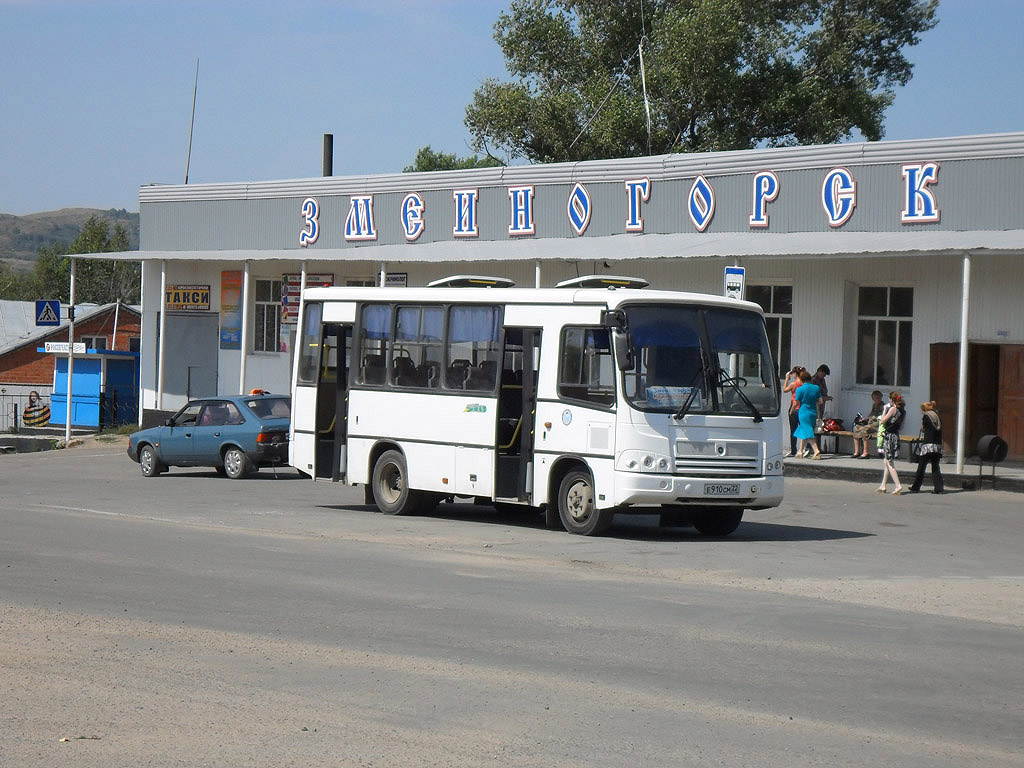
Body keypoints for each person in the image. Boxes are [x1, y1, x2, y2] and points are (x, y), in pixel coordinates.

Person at [907, 401, 945, 494]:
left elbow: (924, 428)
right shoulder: (937, 416)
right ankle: (938, 488)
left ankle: (916, 487)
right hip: (937, 445)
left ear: (924, 410)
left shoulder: (926, 416)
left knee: (921, 467)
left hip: (928, 445)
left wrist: (922, 428)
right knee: (935, 467)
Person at [876, 391, 906, 494]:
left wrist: (884, 410)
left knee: (889, 462)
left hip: (888, 436)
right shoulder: (903, 411)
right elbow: (901, 427)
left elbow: (882, 421)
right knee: (886, 461)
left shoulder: (893, 409)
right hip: (896, 436)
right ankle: (883, 485)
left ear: (892, 400)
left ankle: (898, 485)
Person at [791, 370, 822, 460]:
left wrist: (791, 410)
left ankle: (816, 451)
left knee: (808, 432)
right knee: (804, 430)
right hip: (813, 412)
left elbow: (796, 403)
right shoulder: (816, 388)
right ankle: (800, 452)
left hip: (803, 412)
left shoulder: (800, 389)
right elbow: (820, 401)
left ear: (801, 379)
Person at [851, 390, 884, 458]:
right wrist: (866, 419)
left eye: (878, 398)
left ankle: (866, 453)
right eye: (875, 398)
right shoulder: (874, 405)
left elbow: (880, 418)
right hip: (871, 423)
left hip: (877, 425)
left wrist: (871, 420)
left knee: (865, 430)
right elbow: (871, 415)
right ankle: (857, 452)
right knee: (856, 428)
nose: (876, 400)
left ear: (881, 398)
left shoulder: (883, 406)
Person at [782, 365, 806, 456]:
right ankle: (804, 448)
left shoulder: (793, 384)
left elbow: (785, 390)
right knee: (804, 428)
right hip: (803, 407)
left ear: (795, 374)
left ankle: (793, 450)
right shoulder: (804, 384)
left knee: (793, 429)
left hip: (794, 407)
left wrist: (787, 379)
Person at [810, 364, 832, 451]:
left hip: (821, 407)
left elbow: (823, 392)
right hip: (815, 407)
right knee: (814, 427)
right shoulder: (813, 380)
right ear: (820, 371)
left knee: (819, 427)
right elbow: (813, 396)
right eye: (824, 374)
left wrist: (826, 397)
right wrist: (824, 398)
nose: (824, 376)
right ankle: (811, 447)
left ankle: (817, 447)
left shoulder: (822, 380)